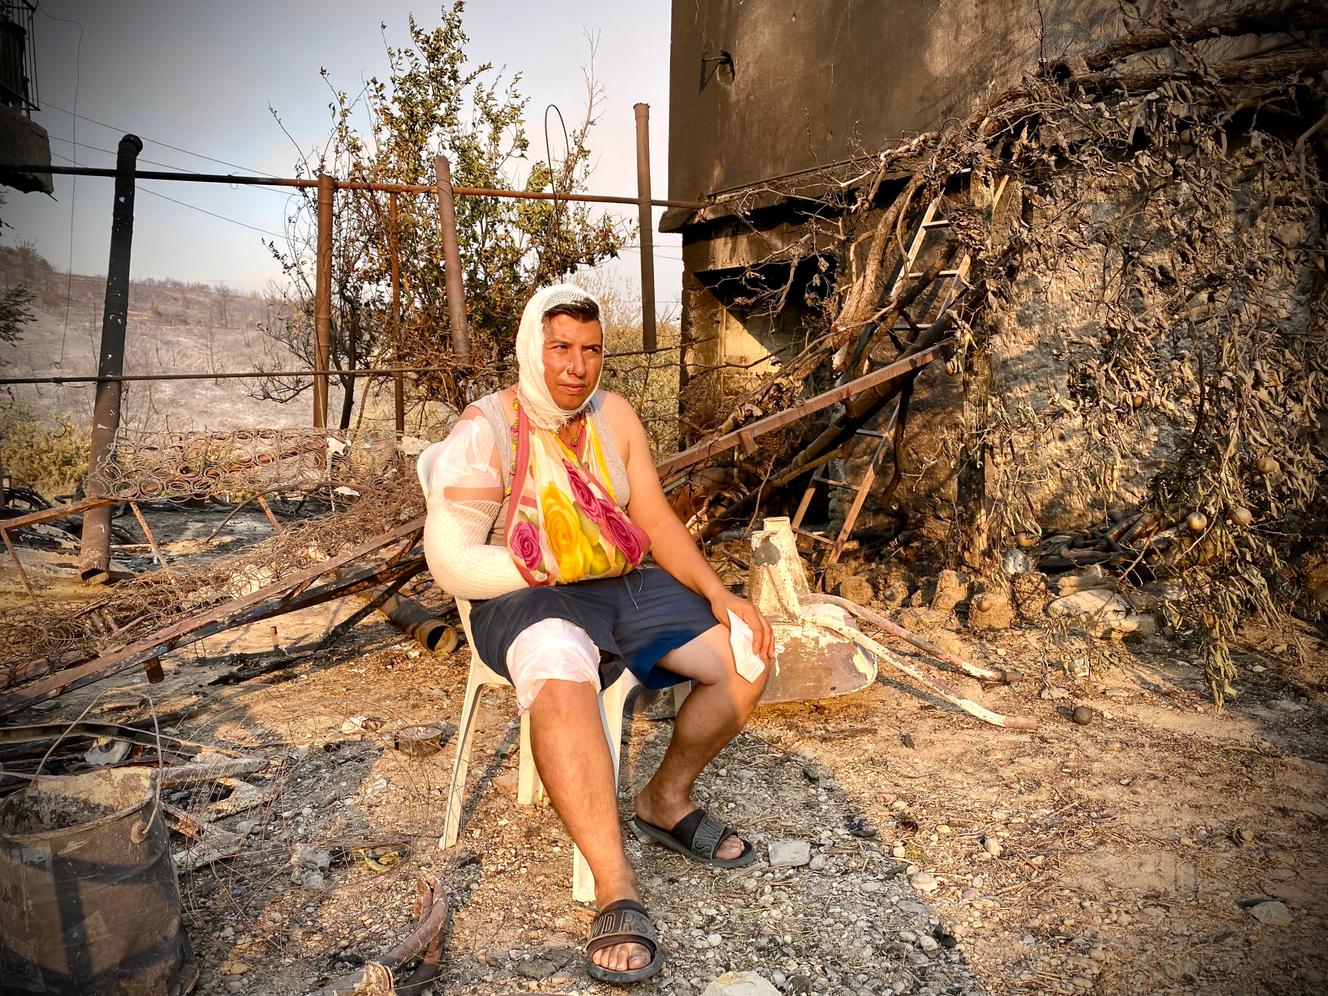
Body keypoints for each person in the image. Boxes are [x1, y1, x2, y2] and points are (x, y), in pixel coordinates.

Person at [417, 283, 774, 984]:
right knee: (559, 665)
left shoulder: (614, 417)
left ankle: (663, 800)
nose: (576, 367)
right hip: (522, 594)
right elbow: (451, 560)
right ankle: (615, 886)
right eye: (560, 348)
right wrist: (547, 562)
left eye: (590, 350)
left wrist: (718, 592)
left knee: (747, 655)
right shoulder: (488, 428)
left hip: (618, 583)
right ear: (532, 347)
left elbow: (656, 520)